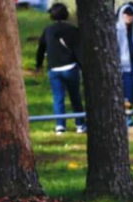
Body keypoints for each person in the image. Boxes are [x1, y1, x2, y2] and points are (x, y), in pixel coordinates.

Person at [36, 3, 86, 135]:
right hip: (70, 67)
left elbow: (41, 48)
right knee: (75, 97)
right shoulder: (72, 30)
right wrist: (82, 66)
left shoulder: (48, 30)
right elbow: (78, 49)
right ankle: (80, 124)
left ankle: (60, 126)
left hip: (54, 69)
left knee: (58, 98)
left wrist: (39, 65)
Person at [116, 3, 133, 112]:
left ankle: (129, 113)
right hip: (123, 68)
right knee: (127, 92)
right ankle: (126, 117)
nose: (129, 17)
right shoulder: (117, 30)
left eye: (131, 15)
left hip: (132, 67)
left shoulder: (132, 30)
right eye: (126, 14)